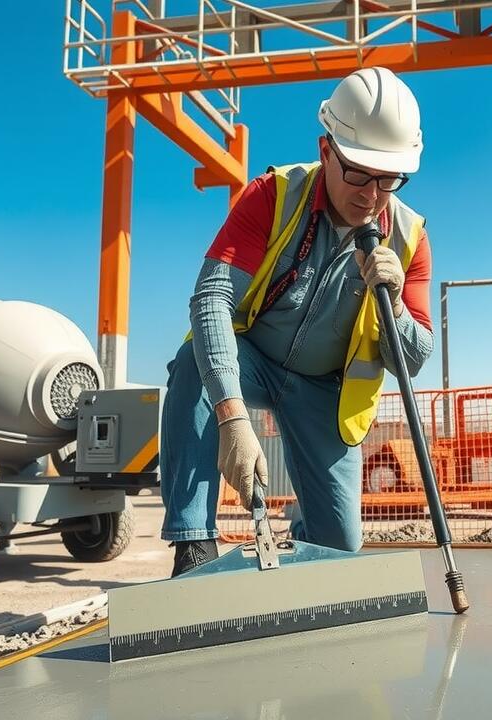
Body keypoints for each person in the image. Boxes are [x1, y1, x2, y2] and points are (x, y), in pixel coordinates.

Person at [159, 67, 435, 577]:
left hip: (325, 392)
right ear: (327, 150)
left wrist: (393, 305)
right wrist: (232, 417)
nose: (372, 195)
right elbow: (211, 298)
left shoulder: (410, 238)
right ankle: (193, 548)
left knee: (339, 551)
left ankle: (299, 543)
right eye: (358, 173)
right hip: (254, 361)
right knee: (193, 361)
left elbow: (414, 361)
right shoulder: (273, 195)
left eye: (389, 179)